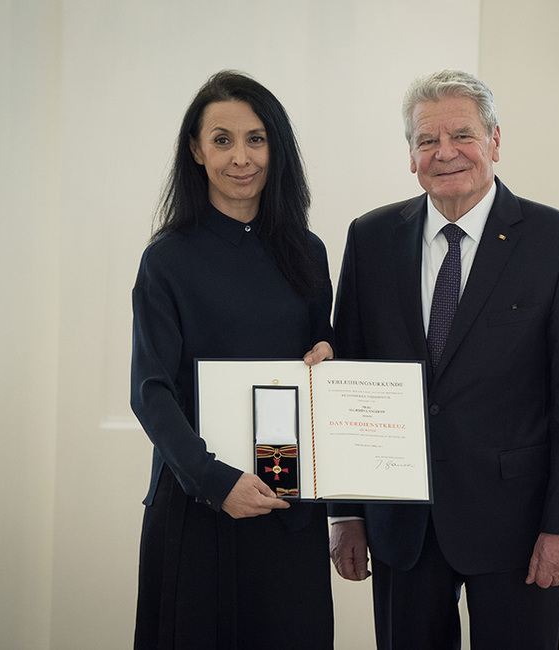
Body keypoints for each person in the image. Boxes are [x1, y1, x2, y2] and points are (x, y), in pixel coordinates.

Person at [328, 70, 559, 649]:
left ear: (495, 142)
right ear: (410, 155)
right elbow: (347, 380)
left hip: (521, 526)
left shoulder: (557, 242)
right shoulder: (371, 239)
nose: (445, 153)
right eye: (427, 140)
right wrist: (345, 514)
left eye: (463, 135)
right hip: (402, 524)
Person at [131, 70, 335, 649]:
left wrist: (328, 357)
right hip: (198, 504)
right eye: (221, 140)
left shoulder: (307, 251)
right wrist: (215, 482)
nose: (240, 157)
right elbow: (151, 389)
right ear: (196, 150)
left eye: (256, 138)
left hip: (286, 502)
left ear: (277, 148)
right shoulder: (167, 259)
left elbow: (319, 353)